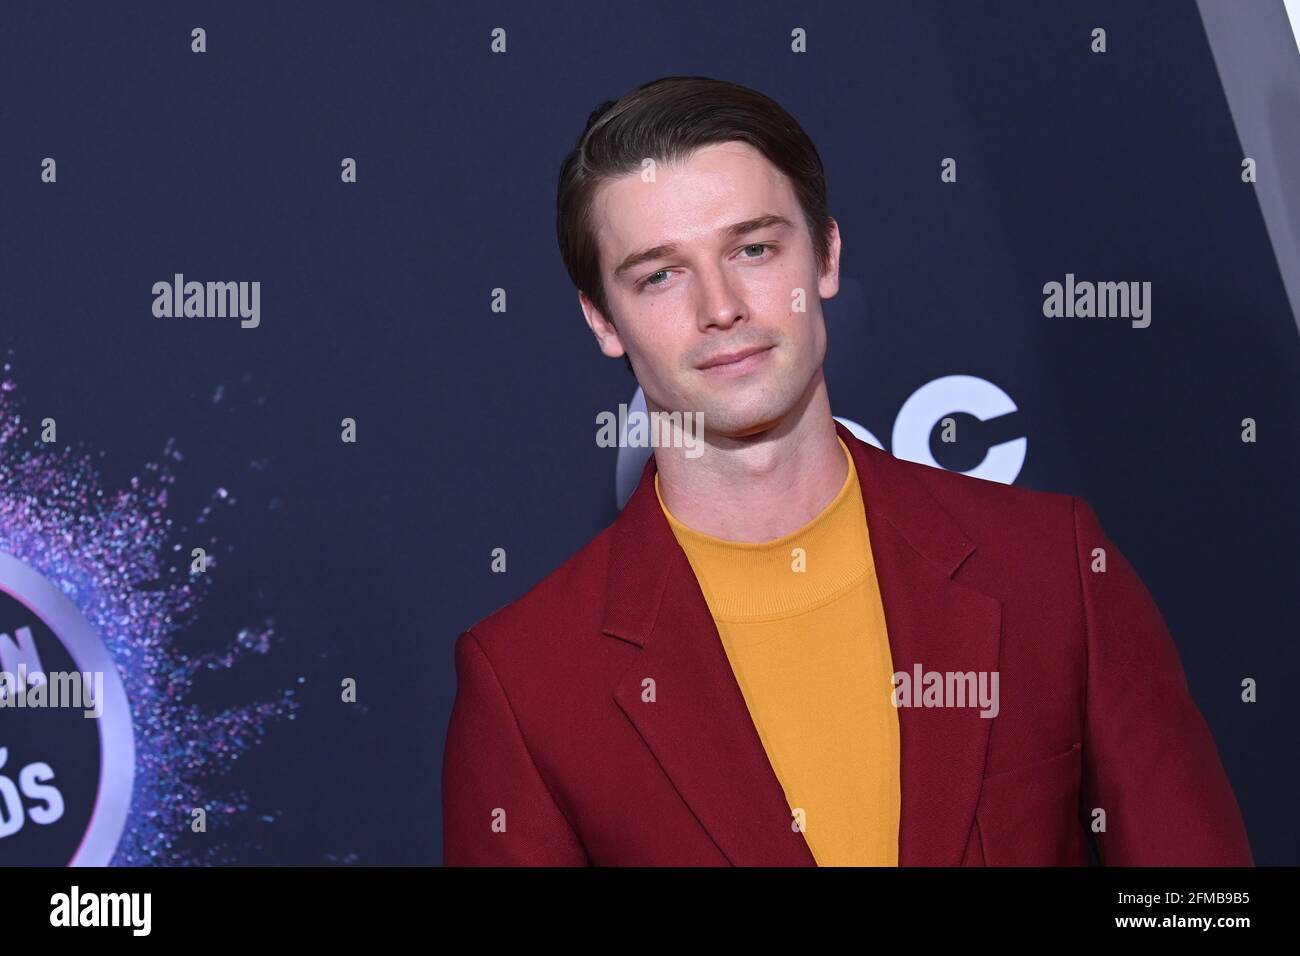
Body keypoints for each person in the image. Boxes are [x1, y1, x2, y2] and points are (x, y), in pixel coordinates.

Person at [441, 75, 1253, 866]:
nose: (719, 306)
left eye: (753, 248)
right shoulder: (529, 683)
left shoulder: (1051, 567)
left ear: (825, 256)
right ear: (601, 318)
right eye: (660, 274)